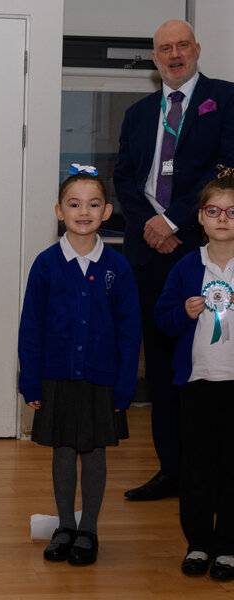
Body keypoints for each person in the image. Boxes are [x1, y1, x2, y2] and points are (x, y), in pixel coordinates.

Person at [113, 19, 234, 501]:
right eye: (165, 48)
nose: (175, 54)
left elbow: (225, 168)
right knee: (163, 368)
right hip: (150, 253)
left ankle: (212, 473)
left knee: (211, 361)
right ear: (154, 57)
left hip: (206, 250)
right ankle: (173, 472)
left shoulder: (224, 99)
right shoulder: (139, 112)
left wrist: (176, 222)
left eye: (183, 45)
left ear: (197, 49)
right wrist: (152, 225)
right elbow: (124, 178)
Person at [18, 167, 141, 566]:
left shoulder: (118, 268)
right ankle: (65, 526)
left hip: (101, 380)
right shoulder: (46, 264)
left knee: (94, 451)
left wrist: (125, 387)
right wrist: (31, 382)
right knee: (63, 450)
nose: (83, 211)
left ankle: (88, 528)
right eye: (74, 204)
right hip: (56, 377)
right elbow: (31, 326)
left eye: (93, 204)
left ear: (106, 212)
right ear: (59, 210)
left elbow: (130, 332)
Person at [155, 171, 234, 581]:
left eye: (233, 211)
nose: (223, 218)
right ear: (201, 218)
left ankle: (228, 548)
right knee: (197, 467)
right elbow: (162, 320)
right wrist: (181, 314)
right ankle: (199, 543)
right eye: (214, 211)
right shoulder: (187, 267)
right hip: (198, 383)